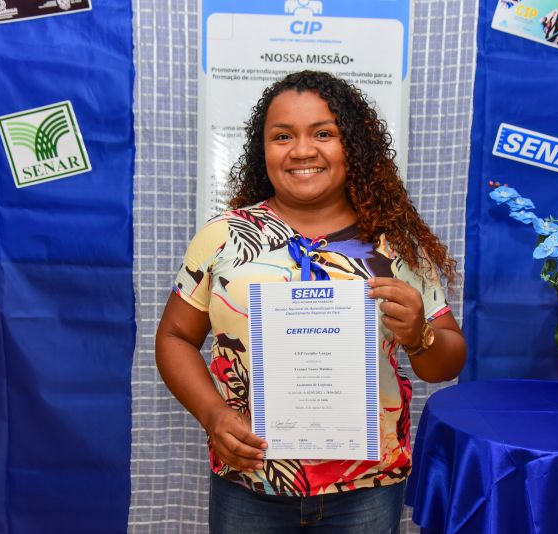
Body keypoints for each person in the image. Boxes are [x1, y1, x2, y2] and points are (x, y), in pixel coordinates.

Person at [156, 70, 466, 533]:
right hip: (251, 477)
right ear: (263, 149)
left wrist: (419, 335)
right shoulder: (224, 237)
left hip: (367, 484)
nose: (302, 150)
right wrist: (213, 413)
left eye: (323, 133)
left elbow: (447, 361)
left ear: (354, 147)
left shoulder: (393, 245)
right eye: (283, 136)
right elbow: (176, 336)